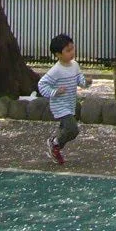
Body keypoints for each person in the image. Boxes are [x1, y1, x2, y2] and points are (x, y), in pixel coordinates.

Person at [38, 32, 90, 165]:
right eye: (67, 50)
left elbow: (79, 79)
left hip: (70, 103)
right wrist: (55, 91)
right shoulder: (56, 70)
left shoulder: (75, 65)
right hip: (60, 105)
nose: (72, 52)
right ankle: (55, 143)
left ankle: (55, 145)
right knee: (73, 129)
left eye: (72, 48)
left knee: (68, 130)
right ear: (58, 54)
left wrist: (86, 82)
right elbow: (42, 85)